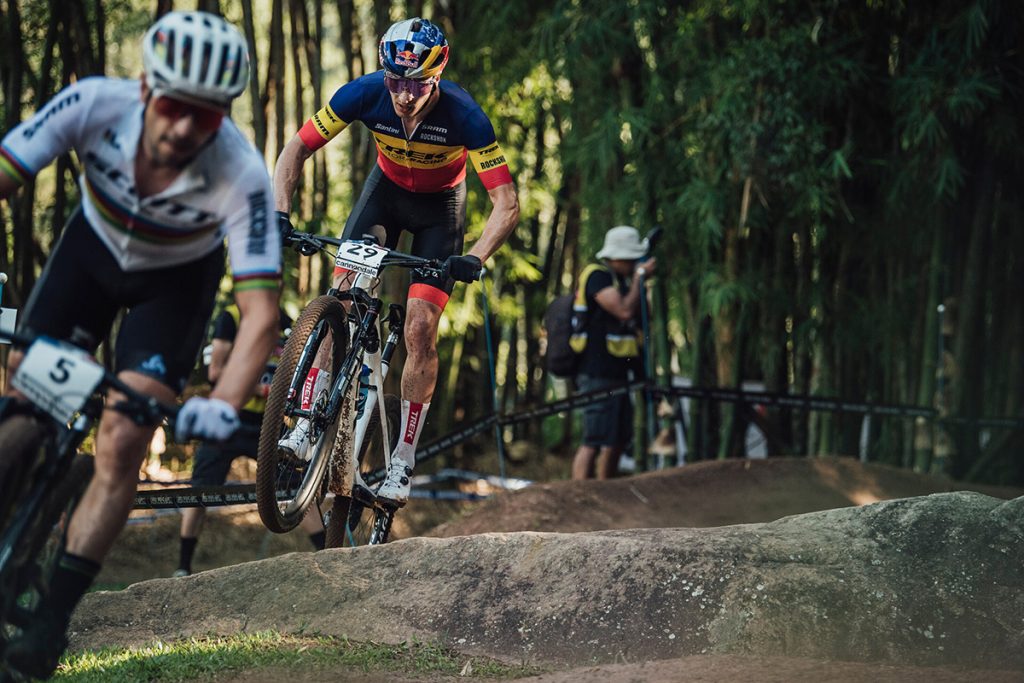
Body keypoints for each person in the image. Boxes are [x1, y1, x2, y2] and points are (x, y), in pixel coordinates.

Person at [0, 11, 281, 677]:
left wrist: (224, 401)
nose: (186, 128)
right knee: (22, 406)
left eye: (206, 116)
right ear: (145, 88)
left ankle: (52, 618)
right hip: (90, 258)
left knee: (125, 437)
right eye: (176, 106)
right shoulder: (95, 103)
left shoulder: (241, 172)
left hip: (174, 288)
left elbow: (261, 315)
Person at [273, 17, 519, 506]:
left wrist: (474, 256)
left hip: (440, 212)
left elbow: (507, 204)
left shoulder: (465, 114)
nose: (404, 95)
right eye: (396, 82)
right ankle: (305, 421)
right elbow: (296, 149)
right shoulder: (363, 93)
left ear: (437, 75)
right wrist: (280, 211)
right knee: (340, 298)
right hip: (383, 197)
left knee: (419, 329)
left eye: (417, 84)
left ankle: (402, 460)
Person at [174, 302, 324, 578]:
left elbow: (299, 372)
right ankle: (182, 566)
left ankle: (328, 555)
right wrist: (260, 389)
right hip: (229, 418)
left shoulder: (287, 320)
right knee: (200, 491)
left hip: (269, 424)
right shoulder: (230, 316)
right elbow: (215, 372)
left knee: (298, 489)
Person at [571, 226, 656, 480]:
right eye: (631, 260)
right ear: (617, 257)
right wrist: (640, 277)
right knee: (593, 439)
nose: (633, 264)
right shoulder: (597, 276)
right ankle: (579, 495)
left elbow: (642, 319)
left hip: (619, 374)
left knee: (616, 438)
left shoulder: (622, 282)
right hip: (596, 373)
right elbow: (624, 311)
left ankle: (604, 494)